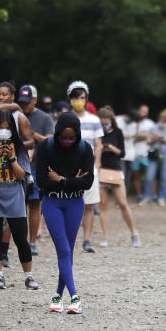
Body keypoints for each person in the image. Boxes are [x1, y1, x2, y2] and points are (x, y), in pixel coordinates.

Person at [35, 113, 95, 313]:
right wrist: (72, 179)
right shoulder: (45, 147)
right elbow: (42, 181)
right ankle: (75, 297)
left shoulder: (85, 149)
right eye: (63, 137)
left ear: (77, 135)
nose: (67, 141)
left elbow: (87, 182)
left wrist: (60, 179)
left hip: (75, 203)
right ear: (57, 133)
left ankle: (57, 296)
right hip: (52, 202)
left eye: (71, 137)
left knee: (68, 250)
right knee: (63, 249)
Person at [0, 110, 39, 290]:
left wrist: (11, 158)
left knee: (21, 238)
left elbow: (21, 175)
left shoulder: (19, 148)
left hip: (15, 198)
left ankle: (28, 276)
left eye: (7, 129)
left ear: (13, 130)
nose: (3, 133)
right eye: (0, 129)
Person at [66, 81, 104, 252]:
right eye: (76, 97)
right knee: (68, 204)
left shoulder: (94, 120)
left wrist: (97, 165)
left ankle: (87, 239)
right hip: (68, 168)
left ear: (86, 99)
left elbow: (99, 144)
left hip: (89, 168)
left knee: (89, 205)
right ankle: (69, 238)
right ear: (70, 99)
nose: (79, 100)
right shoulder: (65, 119)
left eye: (82, 97)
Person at [96, 106, 141, 247]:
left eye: (106, 120)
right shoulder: (97, 133)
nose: (104, 123)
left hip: (115, 169)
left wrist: (112, 148)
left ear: (111, 119)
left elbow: (122, 153)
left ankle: (134, 233)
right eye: (102, 121)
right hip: (101, 169)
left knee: (122, 203)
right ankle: (105, 237)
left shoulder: (118, 132)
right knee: (103, 205)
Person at [18, 84, 54, 256]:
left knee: (34, 204)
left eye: (27, 102)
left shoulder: (45, 118)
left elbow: (50, 140)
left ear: (35, 100)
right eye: (21, 102)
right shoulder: (14, 116)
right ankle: (14, 243)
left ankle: (32, 242)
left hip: (35, 167)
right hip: (16, 166)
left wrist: (32, 134)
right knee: (16, 206)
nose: (24, 106)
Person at [149, 109, 166, 206]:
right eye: (161, 117)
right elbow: (148, 140)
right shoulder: (154, 127)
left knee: (164, 176)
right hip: (154, 152)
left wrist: (163, 139)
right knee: (150, 176)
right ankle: (148, 196)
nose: (163, 119)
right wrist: (153, 139)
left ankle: (162, 197)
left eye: (165, 118)